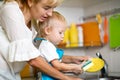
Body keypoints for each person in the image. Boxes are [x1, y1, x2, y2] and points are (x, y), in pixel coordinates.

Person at [0, 0, 89, 80]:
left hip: (13, 75)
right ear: (30, 1)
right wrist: (67, 78)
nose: (50, 14)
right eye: (46, 8)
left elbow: (41, 54)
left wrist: (72, 59)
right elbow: (33, 59)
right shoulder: (10, 10)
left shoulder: (34, 20)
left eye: (53, 8)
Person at [34, 11, 87, 80]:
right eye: (60, 32)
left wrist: (74, 61)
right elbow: (57, 66)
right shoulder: (47, 46)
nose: (63, 36)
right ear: (48, 30)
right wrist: (74, 67)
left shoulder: (45, 44)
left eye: (63, 33)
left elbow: (58, 61)